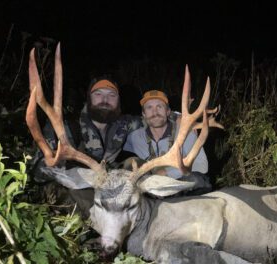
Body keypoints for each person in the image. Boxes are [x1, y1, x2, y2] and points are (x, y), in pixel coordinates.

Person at [29, 77, 179, 218]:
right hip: (69, 187)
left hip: (106, 185)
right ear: (89, 99)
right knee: (81, 198)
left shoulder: (125, 124)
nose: (105, 100)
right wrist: (83, 176)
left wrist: (181, 118)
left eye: (112, 95)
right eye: (98, 94)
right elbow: (38, 171)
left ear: (118, 101)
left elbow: (154, 117)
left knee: (134, 163)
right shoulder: (64, 126)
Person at [123, 89, 212, 194]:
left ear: (168, 111)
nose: (155, 112)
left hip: (177, 187)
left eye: (159, 106)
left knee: (197, 181)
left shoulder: (186, 134)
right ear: (143, 114)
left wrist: (167, 173)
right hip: (148, 191)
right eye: (149, 107)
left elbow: (202, 165)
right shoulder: (134, 138)